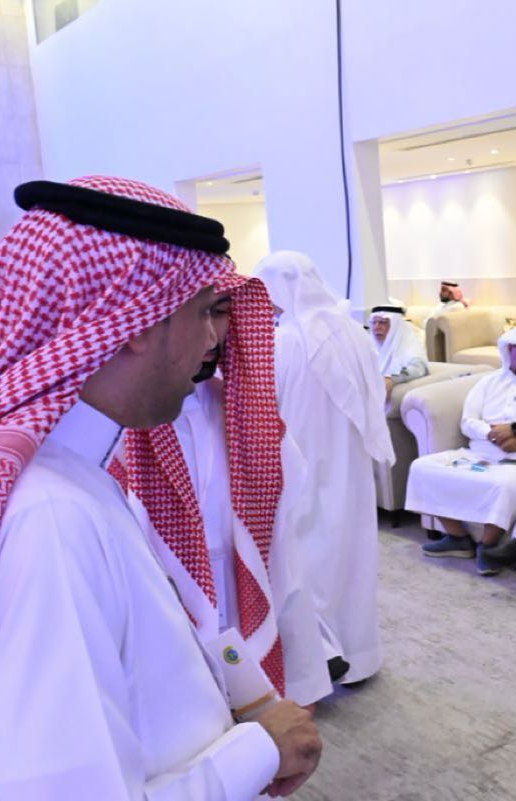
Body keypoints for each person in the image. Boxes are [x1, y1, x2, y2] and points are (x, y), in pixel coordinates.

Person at [0, 177, 321, 800]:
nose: (213, 339)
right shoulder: (48, 516)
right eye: (203, 310)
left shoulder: (60, 474)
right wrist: (258, 752)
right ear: (134, 321)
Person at [117, 275, 333, 704]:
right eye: (200, 314)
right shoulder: (123, 420)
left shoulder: (244, 408)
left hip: (241, 588)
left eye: (219, 312)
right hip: (160, 601)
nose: (212, 334)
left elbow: (281, 530)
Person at [254, 251, 395, 684]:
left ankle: (321, 655)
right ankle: (356, 655)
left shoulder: (284, 341)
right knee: (349, 556)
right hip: (351, 467)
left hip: (301, 465)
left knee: (305, 557)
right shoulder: (353, 332)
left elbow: (265, 408)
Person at [406, 326, 516, 575]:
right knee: (422, 468)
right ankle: (457, 538)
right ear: (509, 349)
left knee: (505, 484)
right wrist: (494, 435)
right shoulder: (489, 382)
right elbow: (468, 421)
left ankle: (488, 546)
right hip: (481, 452)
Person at [370, 304, 429, 394]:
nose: (376, 327)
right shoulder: (371, 347)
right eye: (374, 322)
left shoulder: (408, 345)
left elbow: (418, 368)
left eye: (382, 322)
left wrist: (391, 378)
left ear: (395, 325)